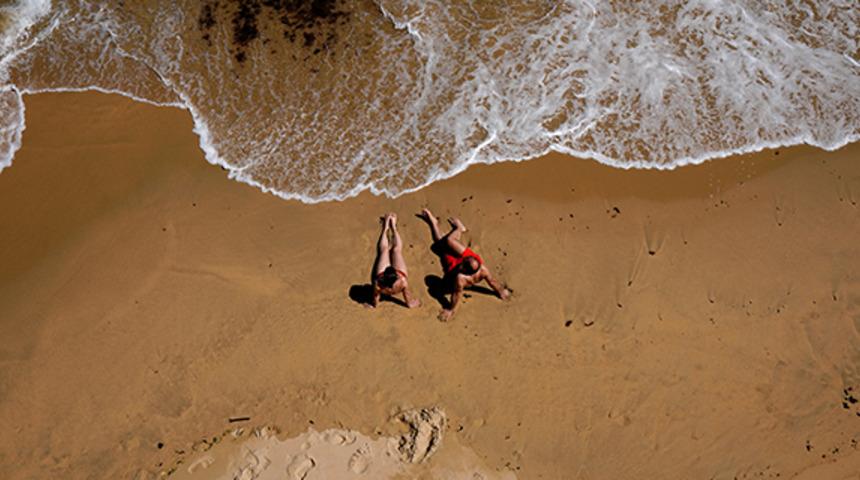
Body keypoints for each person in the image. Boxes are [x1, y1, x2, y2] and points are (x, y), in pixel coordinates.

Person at [416, 208, 510, 321]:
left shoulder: (461, 278)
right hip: (469, 261)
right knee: (446, 242)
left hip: (451, 265)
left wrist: (451, 310)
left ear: (464, 270)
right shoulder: (476, 264)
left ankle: (433, 222)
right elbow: (492, 281)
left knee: (439, 246)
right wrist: (500, 291)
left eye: (462, 265)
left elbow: (457, 294)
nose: (461, 263)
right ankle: (458, 229)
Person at [370, 213, 420, 309]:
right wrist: (412, 304)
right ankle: (393, 226)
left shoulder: (378, 284)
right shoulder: (402, 281)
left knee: (384, 251)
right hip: (399, 275)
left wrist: (373, 305)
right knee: (396, 250)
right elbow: (408, 298)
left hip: (384, 277)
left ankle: (385, 228)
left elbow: (376, 298)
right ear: (397, 275)